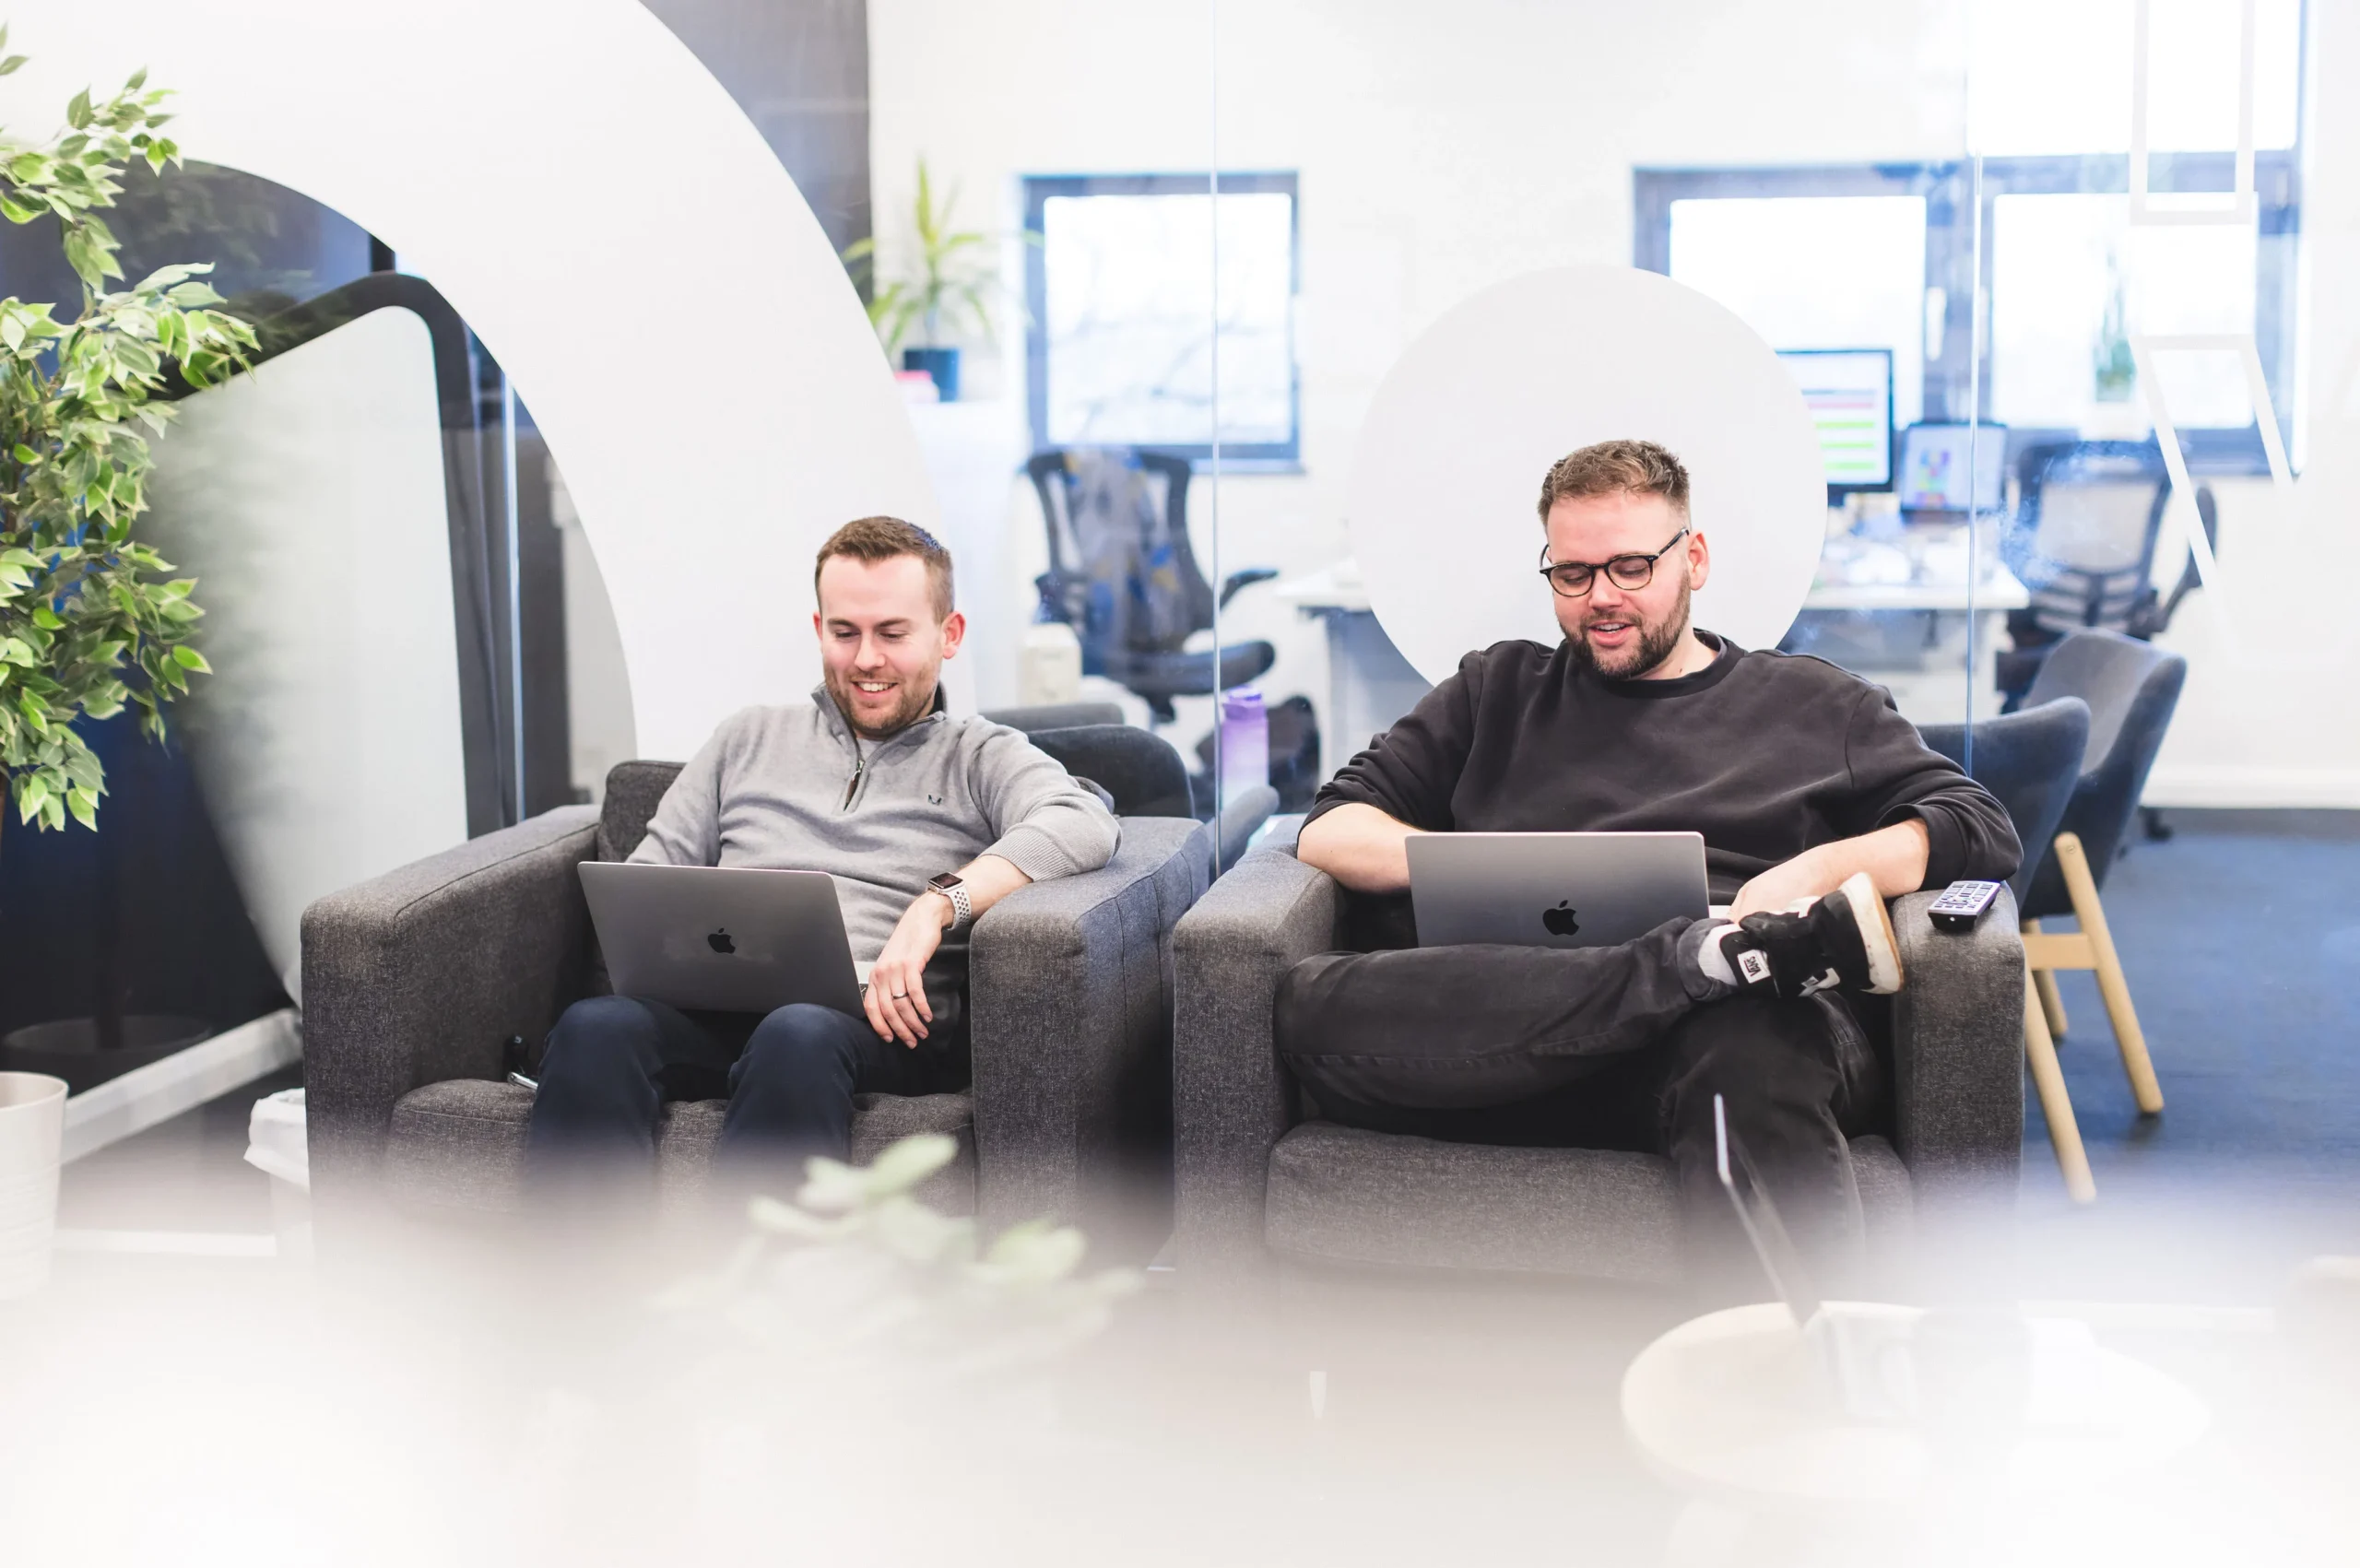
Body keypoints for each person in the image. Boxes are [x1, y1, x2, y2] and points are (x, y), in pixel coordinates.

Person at [1289, 439, 2020, 1288]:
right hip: (1508, 1039)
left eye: (1631, 567)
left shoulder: (1815, 704)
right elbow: (1330, 827)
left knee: (1753, 1037)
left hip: (1720, 1049)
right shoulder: (1498, 691)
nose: (1602, 598)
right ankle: (1699, 963)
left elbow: (1979, 823)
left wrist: (1804, 877)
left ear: (1694, 558)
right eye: (1573, 574)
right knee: (1310, 1008)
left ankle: (1799, 1387)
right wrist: (1476, 866)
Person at [525, 515, 1119, 1208]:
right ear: (819, 630)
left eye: (893, 634)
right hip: (719, 1010)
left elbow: (1083, 821)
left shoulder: (981, 753)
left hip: (878, 1025)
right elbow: (648, 877)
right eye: (845, 633)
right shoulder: (747, 738)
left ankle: (771, 1307)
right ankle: (576, 1302)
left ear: (947, 635)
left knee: (796, 1032)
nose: (866, 659)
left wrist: (937, 904)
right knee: (596, 1027)